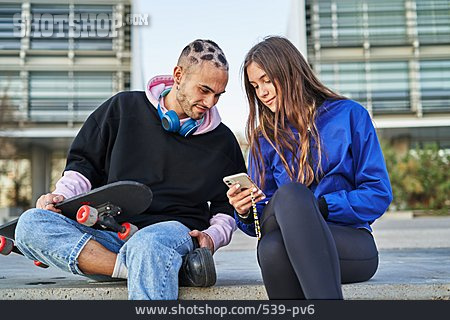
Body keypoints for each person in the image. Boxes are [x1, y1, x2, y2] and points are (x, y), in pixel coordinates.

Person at [15, 39, 246, 300]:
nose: (211, 102)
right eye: (204, 90)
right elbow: (84, 165)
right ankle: (138, 268)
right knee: (30, 224)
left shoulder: (223, 141)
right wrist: (61, 198)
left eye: (218, 95)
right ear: (178, 76)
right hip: (110, 236)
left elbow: (225, 208)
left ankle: (153, 263)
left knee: (147, 245)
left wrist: (212, 237)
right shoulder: (122, 109)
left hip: (171, 234)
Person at [227, 36, 393, 300]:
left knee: (279, 231)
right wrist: (246, 212)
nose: (263, 93)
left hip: (350, 244)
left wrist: (320, 206)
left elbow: (378, 194)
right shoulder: (263, 138)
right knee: (274, 237)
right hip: (282, 240)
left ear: (291, 72)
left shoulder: (349, 115)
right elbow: (260, 221)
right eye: (255, 86)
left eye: (268, 80)